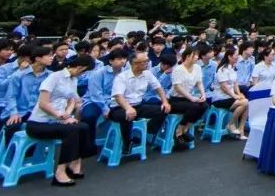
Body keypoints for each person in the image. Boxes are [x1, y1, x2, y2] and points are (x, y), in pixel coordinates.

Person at [25, 54, 95, 187]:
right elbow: (43, 104)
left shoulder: (73, 80)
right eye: (84, 71)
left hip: (58, 120)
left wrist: (68, 114)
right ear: (80, 67)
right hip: (39, 123)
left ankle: (75, 163)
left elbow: (72, 100)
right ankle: (60, 171)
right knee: (71, 131)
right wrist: (60, 116)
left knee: (83, 127)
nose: (83, 74)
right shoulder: (54, 77)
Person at [109, 52, 171, 153]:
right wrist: (128, 108)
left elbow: (158, 88)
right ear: (135, 63)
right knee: (127, 115)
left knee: (163, 109)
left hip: (138, 105)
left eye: (147, 61)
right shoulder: (122, 77)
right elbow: (118, 96)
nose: (147, 64)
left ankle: (149, 132)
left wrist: (165, 102)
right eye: (144, 62)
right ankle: (127, 142)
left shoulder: (147, 74)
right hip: (119, 107)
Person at [168, 47, 207, 146]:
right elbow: (177, 87)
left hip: (188, 98)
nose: (197, 57)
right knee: (194, 106)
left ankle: (185, 128)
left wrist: (203, 93)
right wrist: (191, 98)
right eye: (195, 55)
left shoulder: (197, 67)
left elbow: (199, 82)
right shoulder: (178, 69)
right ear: (188, 56)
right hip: (176, 99)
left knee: (204, 105)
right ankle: (179, 131)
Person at [210, 47, 250, 137]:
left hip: (230, 97)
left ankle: (241, 129)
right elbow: (224, 87)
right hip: (220, 98)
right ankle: (231, 124)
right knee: (245, 102)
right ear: (229, 57)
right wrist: (235, 96)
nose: (238, 57)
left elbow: (235, 84)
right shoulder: (222, 69)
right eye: (236, 55)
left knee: (246, 103)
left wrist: (239, 94)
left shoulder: (233, 68)